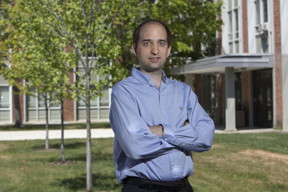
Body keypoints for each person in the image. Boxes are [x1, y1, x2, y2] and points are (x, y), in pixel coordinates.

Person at [109, 19, 215, 192]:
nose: (155, 50)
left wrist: (161, 131)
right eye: (147, 43)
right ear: (135, 48)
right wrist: (185, 136)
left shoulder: (184, 92)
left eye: (161, 43)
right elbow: (135, 146)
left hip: (184, 187)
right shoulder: (123, 92)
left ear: (169, 49)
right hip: (142, 188)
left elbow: (206, 138)